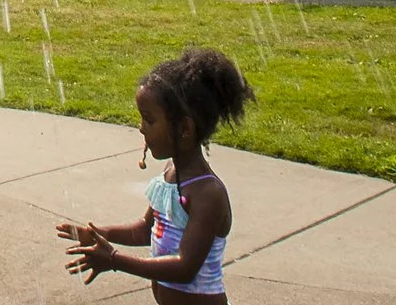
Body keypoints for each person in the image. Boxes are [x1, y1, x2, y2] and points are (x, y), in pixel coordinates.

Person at [57, 47, 256, 300]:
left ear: (184, 129)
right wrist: (102, 234)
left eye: (149, 120)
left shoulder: (207, 194)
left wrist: (115, 260)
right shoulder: (170, 174)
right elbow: (146, 230)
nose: (141, 129)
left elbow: (185, 268)